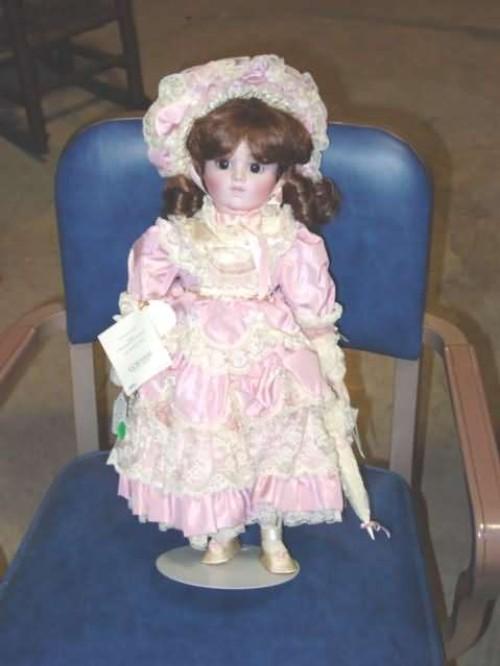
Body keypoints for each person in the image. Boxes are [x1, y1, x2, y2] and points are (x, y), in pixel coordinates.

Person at [108, 55, 388, 576]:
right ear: (198, 168)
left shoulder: (290, 238)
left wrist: (325, 356)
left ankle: (272, 533)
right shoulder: (174, 236)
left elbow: (310, 304)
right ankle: (222, 530)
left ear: (281, 177)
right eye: (223, 163)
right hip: (197, 356)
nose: (238, 178)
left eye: (256, 167)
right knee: (210, 441)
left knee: (274, 441)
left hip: (269, 353)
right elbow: (143, 296)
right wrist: (139, 348)